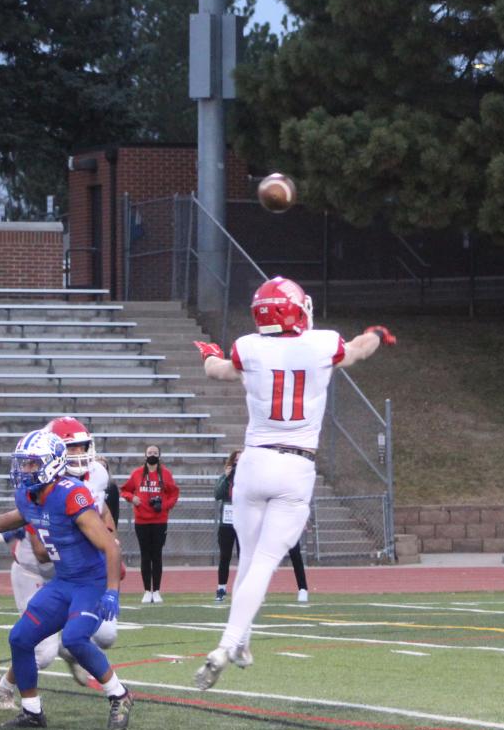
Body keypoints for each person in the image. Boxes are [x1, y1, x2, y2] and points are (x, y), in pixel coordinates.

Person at [190, 275, 395, 690]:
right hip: (296, 464)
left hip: (253, 462)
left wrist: (209, 354)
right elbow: (358, 349)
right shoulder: (321, 344)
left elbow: (217, 370)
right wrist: (375, 333)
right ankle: (227, 644)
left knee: (247, 560)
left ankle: (242, 641)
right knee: (264, 561)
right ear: (296, 310)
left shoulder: (249, 347)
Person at [0, 430, 132, 730]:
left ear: (51, 464)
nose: (24, 470)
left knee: (74, 638)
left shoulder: (71, 493)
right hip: (64, 580)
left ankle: (119, 695)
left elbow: (110, 546)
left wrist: (111, 591)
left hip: (90, 581)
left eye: (32, 464)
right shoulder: (29, 496)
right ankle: (32, 711)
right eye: (23, 464)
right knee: (20, 638)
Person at [214, 449, 310, 605]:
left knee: (294, 553)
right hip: (240, 519)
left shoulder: (281, 477)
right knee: (240, 556)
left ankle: (302, 589)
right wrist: (227, 477)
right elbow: (219, 494)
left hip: (283, 516)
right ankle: (234, 589)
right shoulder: (236, 477)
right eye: (236, 460)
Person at [120, 443, 178, 603]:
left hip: (159, 521)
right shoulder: (137, 473)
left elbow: (174, 494)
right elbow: (124, 490)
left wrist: (164, 506)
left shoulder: (166, 474)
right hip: (141, 521)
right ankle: (146, 590)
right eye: (149, 452)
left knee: (157, 555)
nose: (152, 454)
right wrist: (133, 498)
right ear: (145, 455)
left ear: (159, 456)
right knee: (145, 556)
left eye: (155, 452)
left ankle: (157, 590)